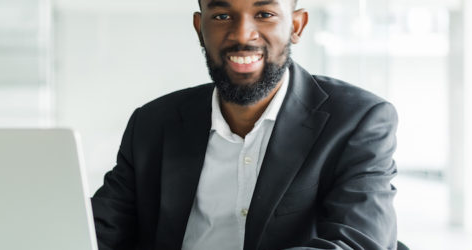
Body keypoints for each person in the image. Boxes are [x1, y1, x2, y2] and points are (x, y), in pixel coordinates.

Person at [91, 0, 398, 249]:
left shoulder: (358, 120)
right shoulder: (153, 123)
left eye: (264, 14)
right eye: (223, 15)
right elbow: (97, 232)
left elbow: (357, 242)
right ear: (200, 28)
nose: (242, 34)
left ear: (296, 25)